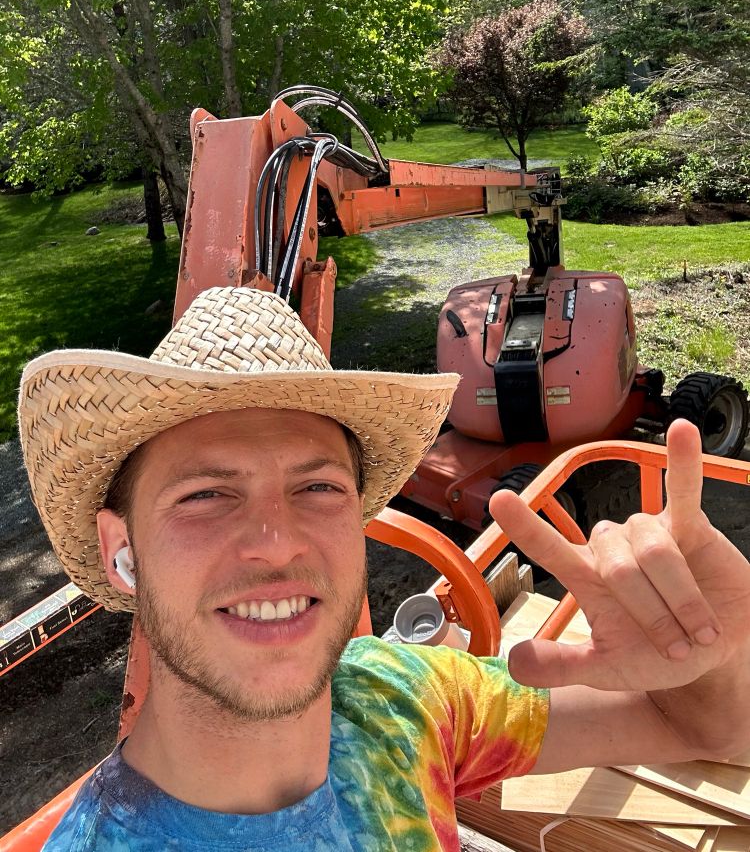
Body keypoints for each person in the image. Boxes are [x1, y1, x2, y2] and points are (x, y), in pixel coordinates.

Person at [17, 286, 750, 852]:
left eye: (318, 488)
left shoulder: (399, 698)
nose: (276, 543)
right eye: (206, 495)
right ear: (123, 552)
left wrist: (707, 654)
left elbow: (700, 728)